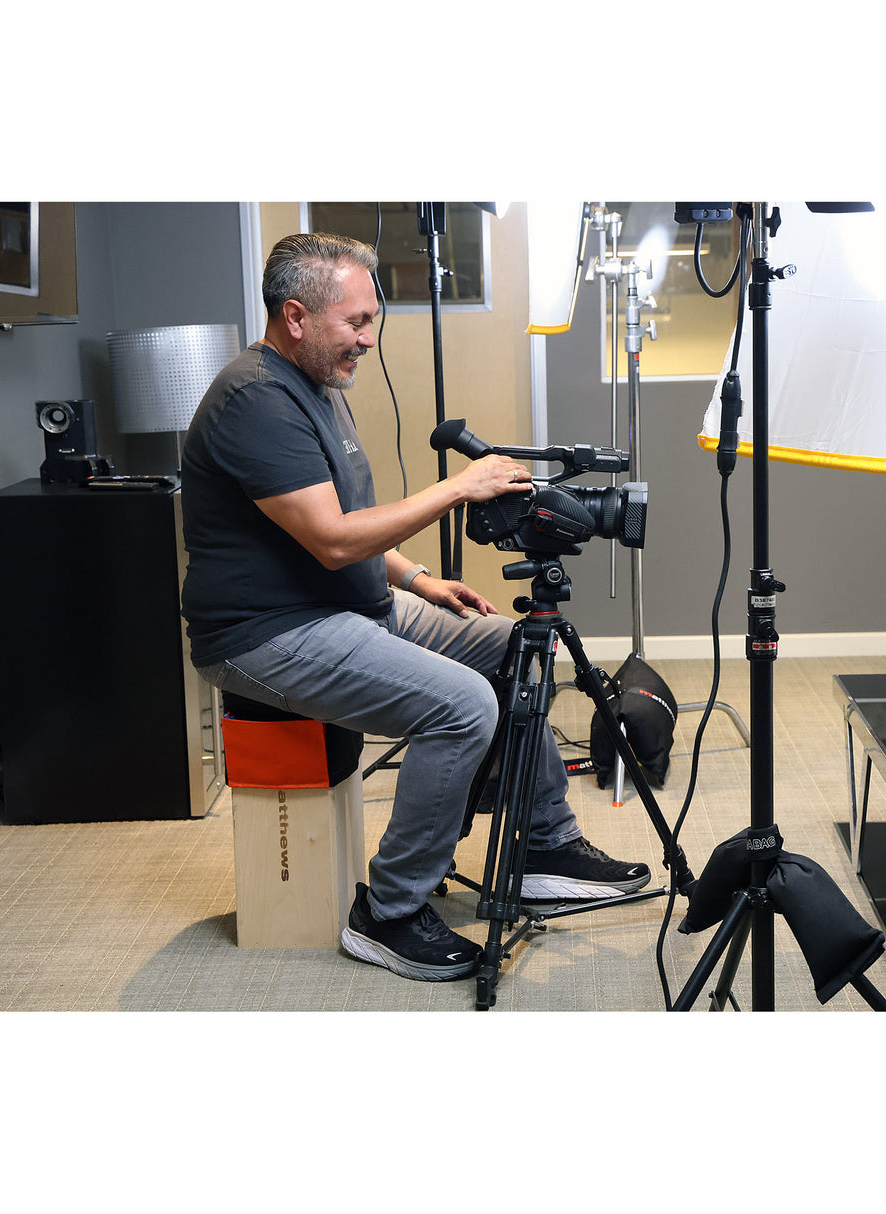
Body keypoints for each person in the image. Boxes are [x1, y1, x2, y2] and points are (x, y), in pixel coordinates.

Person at [180, 231, 650, 983]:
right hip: (266, 633)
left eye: (373, 321)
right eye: (355, 322)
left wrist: (416, 578)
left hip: (346, 604)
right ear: (295, 316)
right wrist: (458, 488)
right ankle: (390, 912)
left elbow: (341, 518)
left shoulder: (315, 384)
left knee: (516, 643)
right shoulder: (255, 400)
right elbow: (332, 540)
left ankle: (540, 844)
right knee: (463, 705)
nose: (368, 340)